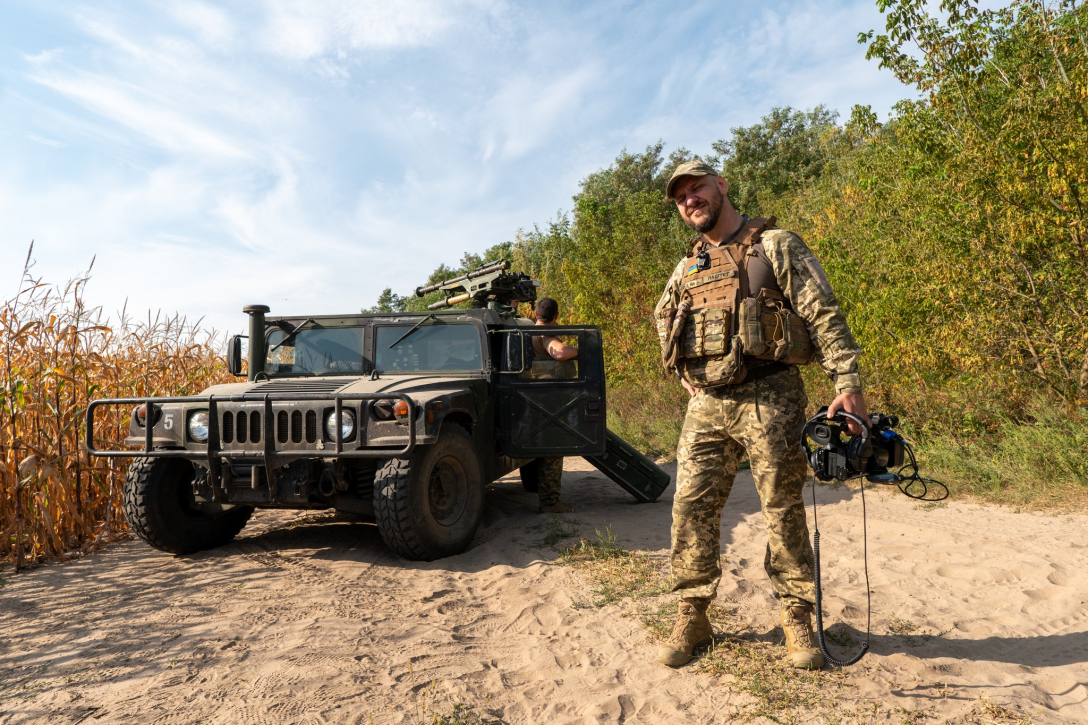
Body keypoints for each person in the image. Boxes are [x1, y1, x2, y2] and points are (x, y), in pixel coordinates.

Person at [652, 160, 869, 669]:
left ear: (721, 186)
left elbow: (822, 312)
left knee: (782, 508)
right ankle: (693, 613)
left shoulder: (775, 245)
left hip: (770, 395)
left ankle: (796, 617)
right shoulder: (689, 267)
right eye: (681, 198)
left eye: (697, 189)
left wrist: (849, 383)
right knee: (690, 508)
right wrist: (677, 366)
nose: (690, 201)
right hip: (706, 405)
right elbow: (664, 315)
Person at [530, 297, 578, 514]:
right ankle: (550, 502)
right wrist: (579, 350)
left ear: (535, 315)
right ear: (556, 316)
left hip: (534, 394)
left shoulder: (529, 331)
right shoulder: (545, 335)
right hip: (549, 396)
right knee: (553, 448)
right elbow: (559, 352)